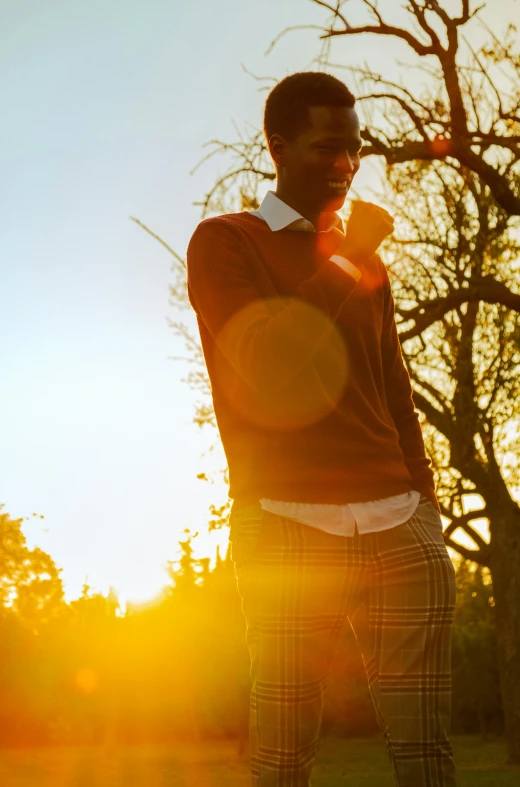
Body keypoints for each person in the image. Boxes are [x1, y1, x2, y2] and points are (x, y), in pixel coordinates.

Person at [186, 71, 457, 787]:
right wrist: (350, 255)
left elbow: (393, 390)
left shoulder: (365, 264)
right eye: (326, 147)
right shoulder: (225, 242)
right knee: (282, 760)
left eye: (355, 148)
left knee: (427, 757)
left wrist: (427, 507)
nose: (346, 165)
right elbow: (273, 361)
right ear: (277, 146)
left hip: (400, 525)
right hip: (284, 525)